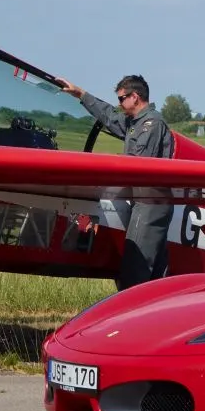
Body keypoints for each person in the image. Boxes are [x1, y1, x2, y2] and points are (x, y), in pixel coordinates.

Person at [55, 73, 176, 290]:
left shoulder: (152, 123)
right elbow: (109, 116)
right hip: (143, 200)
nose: (119, 104)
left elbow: (139, 165)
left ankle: (133, 314)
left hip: (150, 201)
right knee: (154, 268)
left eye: (122, 99)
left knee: (136, 265)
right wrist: (81, 94)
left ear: (135, 97)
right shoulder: (134, 122)